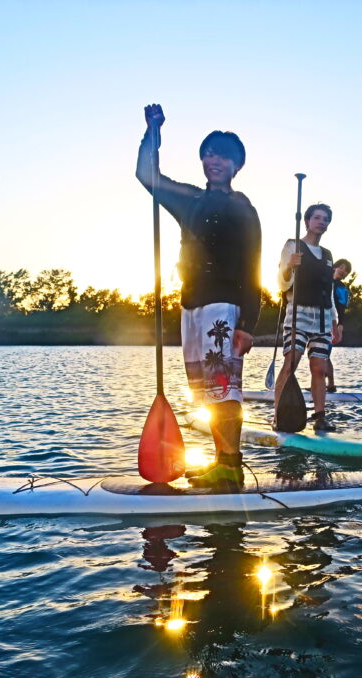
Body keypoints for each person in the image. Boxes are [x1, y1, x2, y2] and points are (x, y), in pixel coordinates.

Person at [135, 103, 261, 489]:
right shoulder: (189, 199)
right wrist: (153, 133)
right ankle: (222, 461)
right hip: (190, 305)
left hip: (224, 305)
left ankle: (231, 465)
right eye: (208, 153)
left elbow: (253, 267)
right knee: (204, 389)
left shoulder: (242, 207)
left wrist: (248, 325)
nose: (214, 160)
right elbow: (146, 174)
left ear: (237, 164)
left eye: (222, 155)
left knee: (223, 388)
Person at [273, 203, 342, 432]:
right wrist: (289, 266)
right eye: (317, 218)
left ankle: (320, 416)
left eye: (326, 219)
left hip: (322, 318)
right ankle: (278, 415)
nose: (322, 222)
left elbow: (329, 291)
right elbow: (282, 283)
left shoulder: (328, 255)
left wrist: (335, 320)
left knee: (319, 368)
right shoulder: (293, 245)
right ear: (307, 221)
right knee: (291, 361)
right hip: (298, 314)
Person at [325, 259, 352, 394]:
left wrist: (340, 325)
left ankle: (329, 385)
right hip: (318, 320)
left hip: (332, 324)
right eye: (341, 267)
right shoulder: (323, 280)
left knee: (324, 354)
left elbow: (341, 309)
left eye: (346, 270)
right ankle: (327, 384)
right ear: (335, 267)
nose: (343, 271)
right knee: (321, 354)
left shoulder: (341, 288)